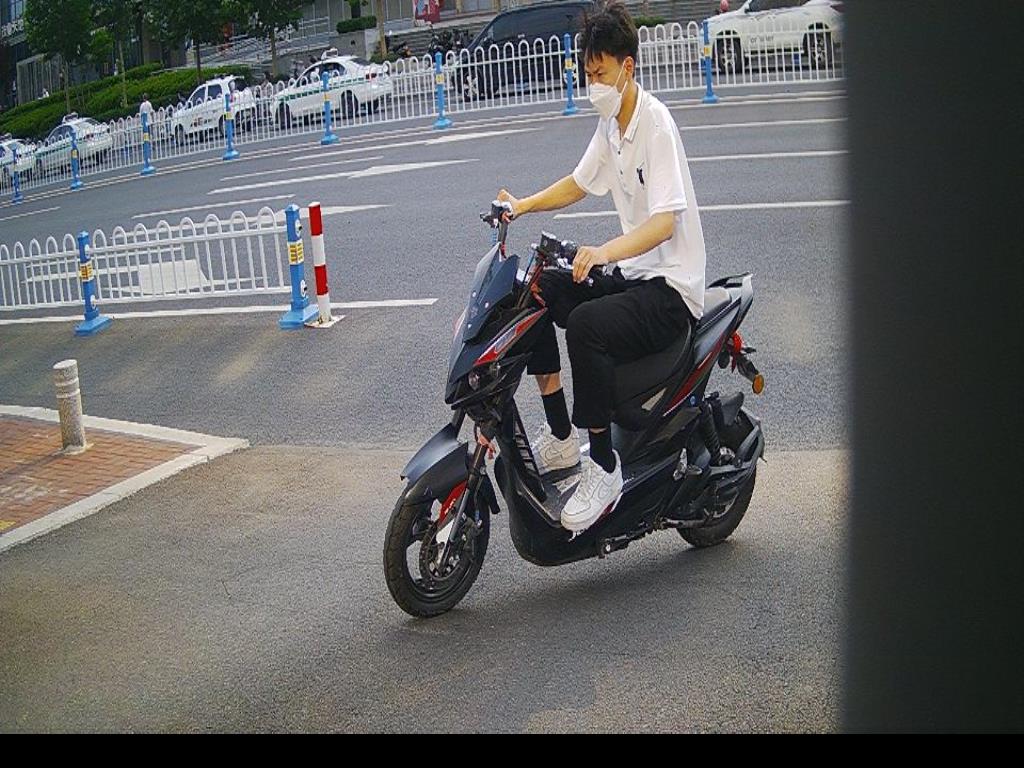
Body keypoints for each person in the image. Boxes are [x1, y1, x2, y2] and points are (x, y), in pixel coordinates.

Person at [495, 1, 706, 532]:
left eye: (600, 73)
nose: (593, 85)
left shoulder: (654, 125)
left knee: (588, 325)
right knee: (537, 288)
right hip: (635, 279)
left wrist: (605, 251)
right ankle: (562, 436)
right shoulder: (611, 126)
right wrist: (521, 205)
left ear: (627, 67)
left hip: (669, 290)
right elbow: (577, 183)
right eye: (587, 74)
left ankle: (605, 468)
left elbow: (665, 224)